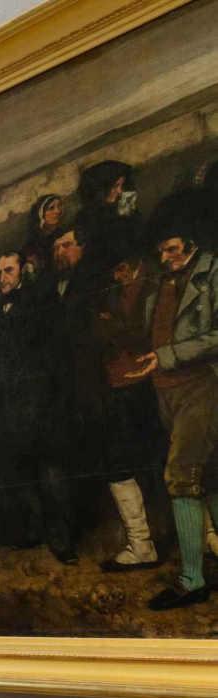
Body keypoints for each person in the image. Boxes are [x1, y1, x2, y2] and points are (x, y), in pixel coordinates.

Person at [126, 196, 218, 609]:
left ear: (193, 243)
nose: (165, 257)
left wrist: (165, 357)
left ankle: (193, 579)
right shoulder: (161, 281)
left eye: (172, 249)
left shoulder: (213, 272)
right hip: (166, 390)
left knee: (182, 476)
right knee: (207, 476)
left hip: (202, 387)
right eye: (161, 250)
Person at [0, 250, 77, 563]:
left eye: (8, 270)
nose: (2, 278)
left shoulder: (38, 299)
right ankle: (36, 533)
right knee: (22, 477)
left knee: (51, 476)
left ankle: (61, 541)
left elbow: (48, 351)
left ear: (22, 270)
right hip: (11, 410)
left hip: (40, 406)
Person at [83, 242, 163, 572]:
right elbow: (99, 332)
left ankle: (206, 535)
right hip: (118, 389)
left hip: (157, 386)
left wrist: (120, 333)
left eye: (123, 268)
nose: (119, 276)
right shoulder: (110, 290)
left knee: (169, 461)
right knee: (117, 463)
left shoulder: (157, 284)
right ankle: (141, 544)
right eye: (115, 270)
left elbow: (149, 332)